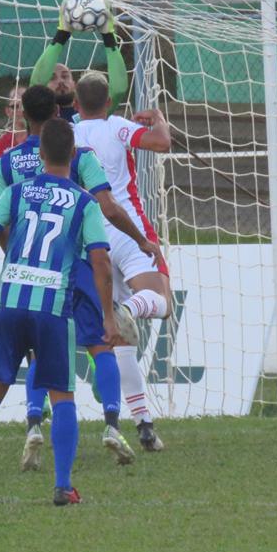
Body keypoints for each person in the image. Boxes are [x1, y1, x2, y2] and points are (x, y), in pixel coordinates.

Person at [0, 85, 163, 469]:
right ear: (56, 112)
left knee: (38, 349)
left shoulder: (8, 160)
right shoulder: (79, 156)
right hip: (80, 261)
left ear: (21, 115)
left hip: (30, 268)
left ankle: (35, 422)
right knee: (103, 343)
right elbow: (109, 207)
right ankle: (112, 424)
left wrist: (15, 255)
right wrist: (142, 240)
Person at [0, 119, 117, 506]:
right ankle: (63, 486)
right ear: (75, 156)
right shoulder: (85, 203)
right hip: (53, 310)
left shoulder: (15, 191)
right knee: (62, 396)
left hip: (11, 302)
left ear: (41, 155)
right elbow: (101, 263)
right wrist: (108, 316)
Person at [72, 71, 173, 451]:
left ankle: (144, 424)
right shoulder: (118, 126)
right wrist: (158, 118)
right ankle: (131, 306)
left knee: (119, 341)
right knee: (161, 302)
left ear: (78, 105)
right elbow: (162, 143)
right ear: (109, 103)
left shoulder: (70, 132)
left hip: (91, 235)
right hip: (126, 225)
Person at [30, 0, 128, 121]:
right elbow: (36, 86)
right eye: (52, 77)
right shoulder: (39, 116)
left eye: (65, 76)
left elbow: (118, 91)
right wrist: (62, 33)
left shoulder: (90, 115)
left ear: (74, 85)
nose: (60, 81)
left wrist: (108, 34)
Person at [0, 86, 28, 158]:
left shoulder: (42, 140)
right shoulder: (2, 145)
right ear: (8, 111)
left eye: (25, 105)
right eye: (16, 106)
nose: (21, 110)